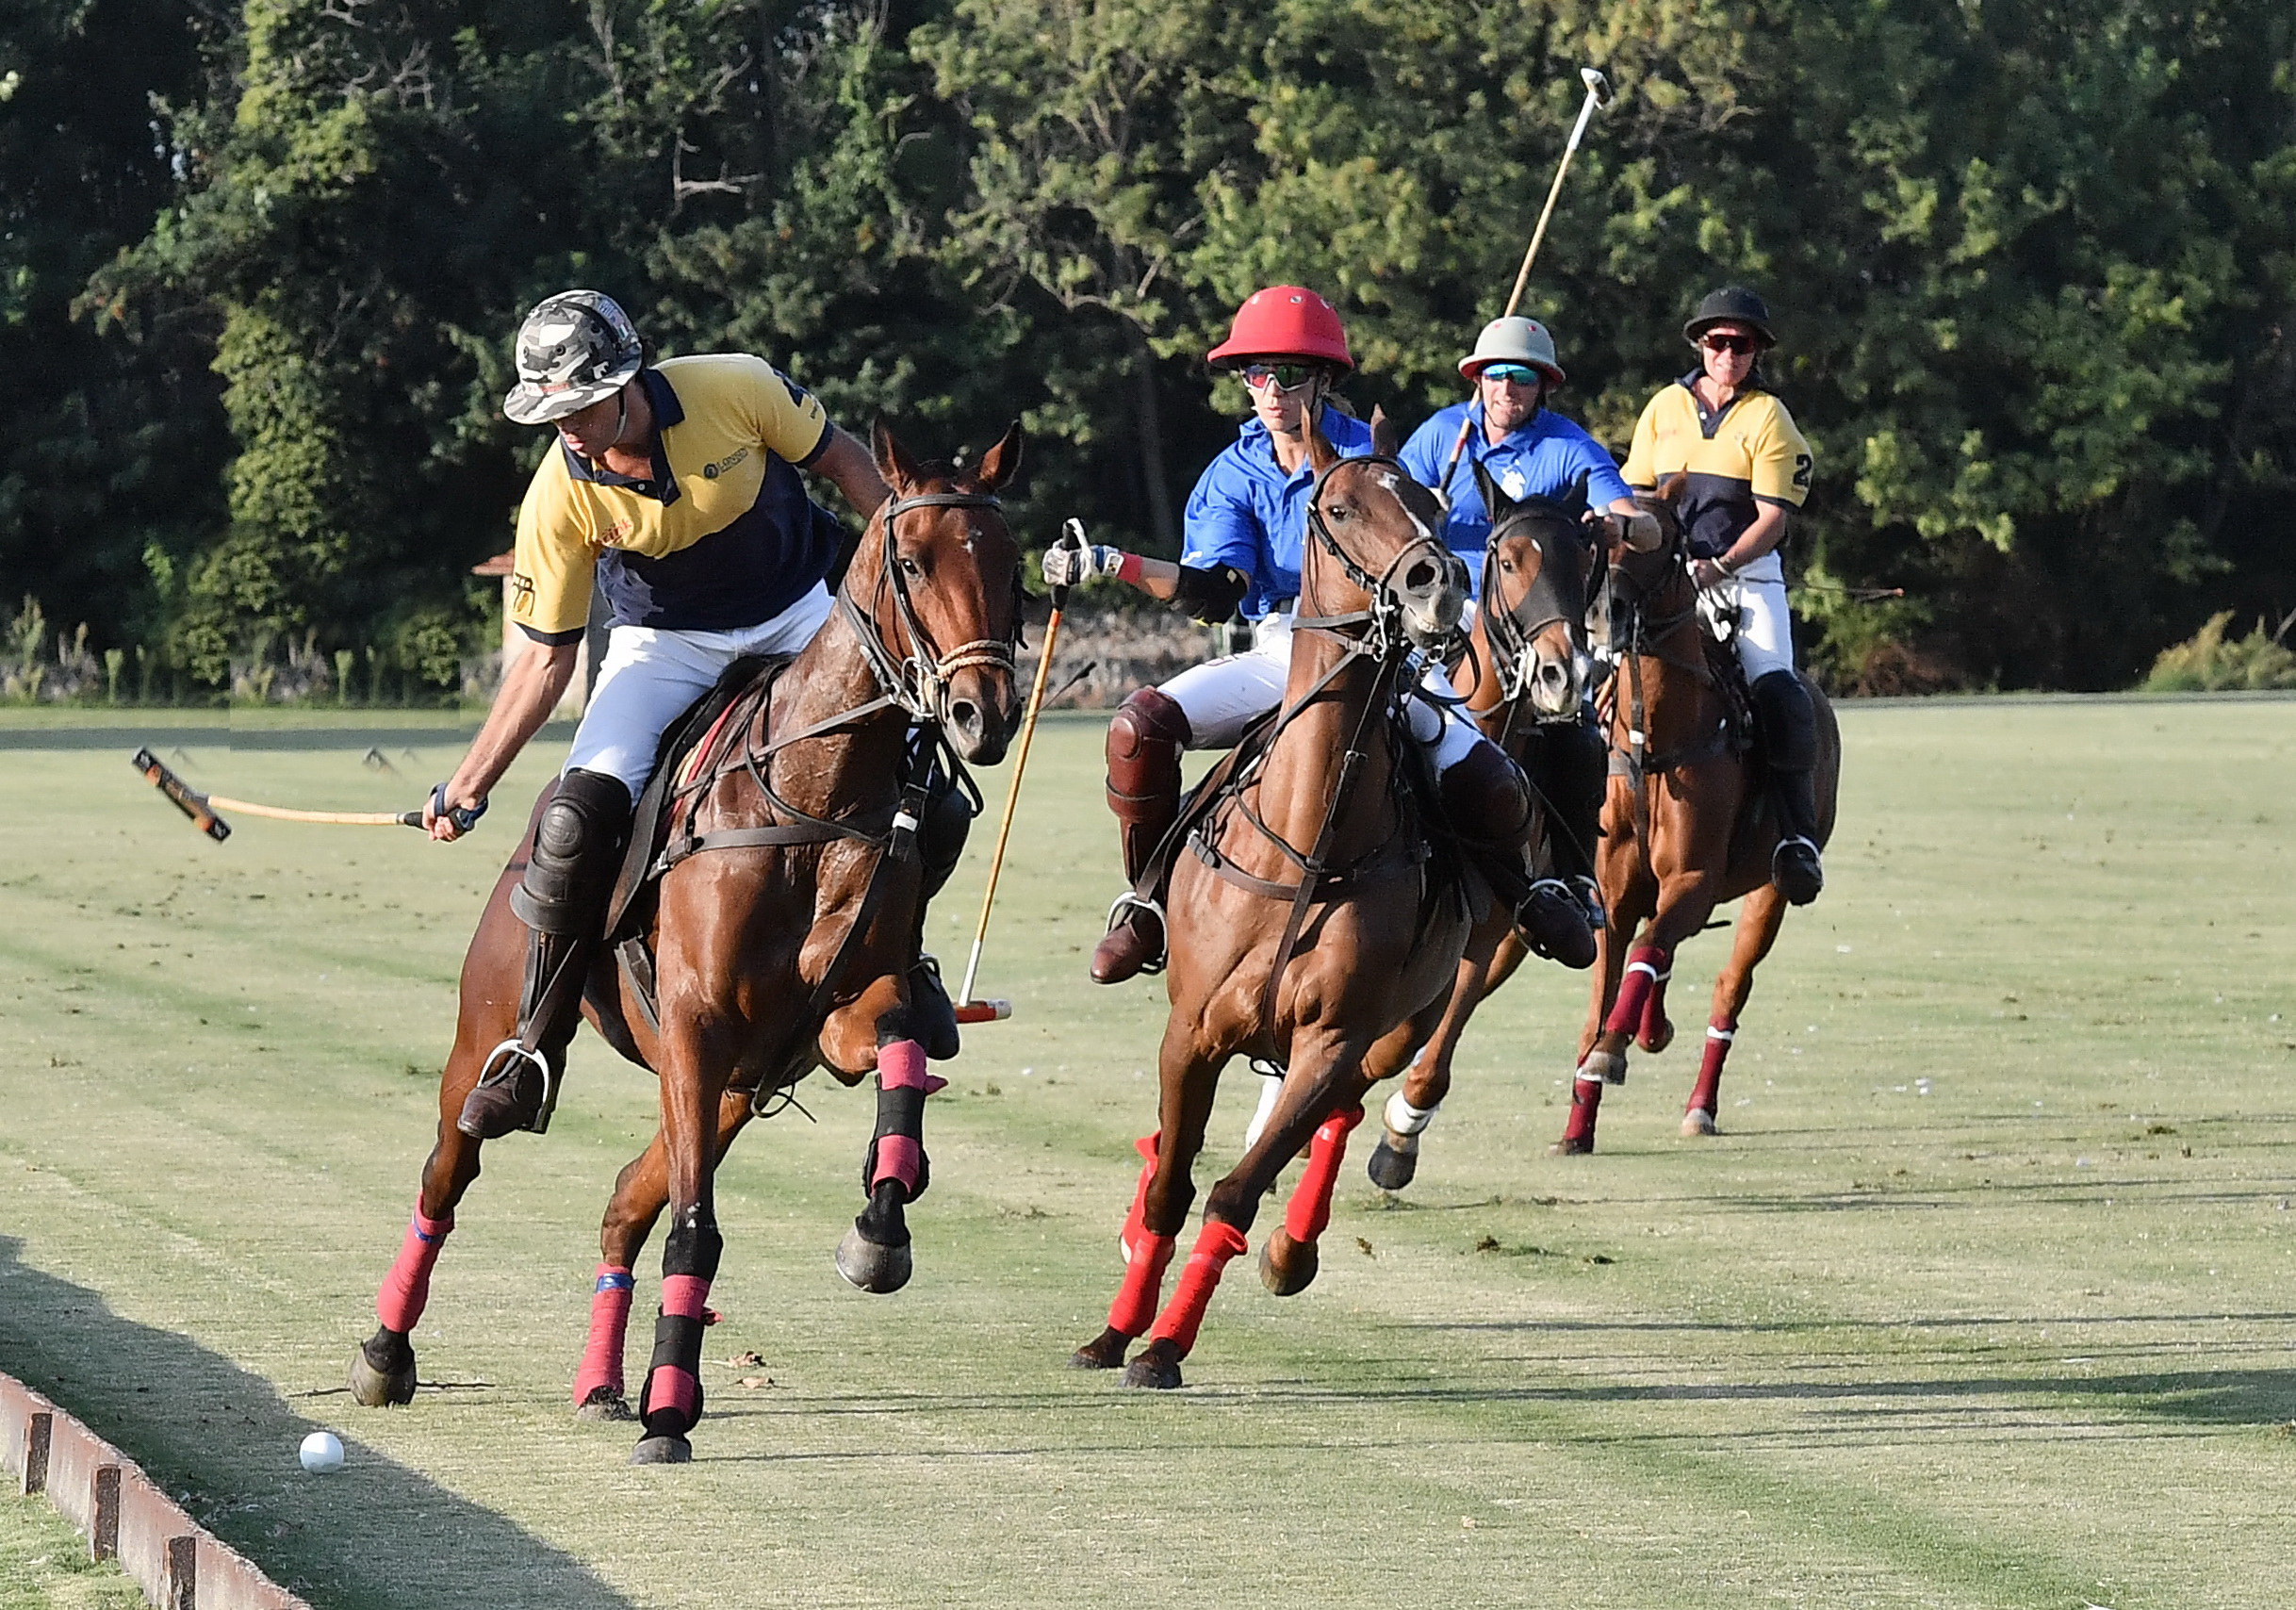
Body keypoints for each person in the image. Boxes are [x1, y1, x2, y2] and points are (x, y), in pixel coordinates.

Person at [427, 288, 906, 1139]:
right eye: (551, 413)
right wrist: (469, 784)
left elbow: (844, 465)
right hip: (663, 645)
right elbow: (544, 659)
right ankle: (534, 1045)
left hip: (800, 614)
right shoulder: (557, 498)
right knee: (573, 819)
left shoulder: (736, 389)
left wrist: (904, 561)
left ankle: (905, 966)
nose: (567, 427)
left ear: (625, 380)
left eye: (579, 405)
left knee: (916, 764)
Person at [1042, 286, 1546, 986]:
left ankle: (1526, 895)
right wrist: (1113, 562)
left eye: (1289, 374)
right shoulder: (1233, 472)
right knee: (1138, 728)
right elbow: (1219, 592)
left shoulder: (1371, 454)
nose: (1272, 391)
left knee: (1486, 775)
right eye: (1256, 374)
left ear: (1324, 379)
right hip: (1288, 645)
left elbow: (1433, 552)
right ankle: (1149, 900)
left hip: (1388, 651)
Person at [1399, 315, 1652, 935]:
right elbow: (1388, 505)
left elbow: (1638, 523)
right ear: (1478, 380)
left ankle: (1572, 874)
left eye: (1523, 378)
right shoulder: (1443, 436)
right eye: (1496, 375)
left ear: (1543, 388)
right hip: (1440, 607)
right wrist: (1417, 504)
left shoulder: (1566, 446)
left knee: (1574, 729)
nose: (1507, 388)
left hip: (1527, 620)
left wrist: (1620, 526)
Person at [1620, 286, 1823, 903]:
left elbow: (1773, 519)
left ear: (1756, 352)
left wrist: (1721, 565)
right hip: (1664, 580)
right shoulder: (1663, 408)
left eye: (1742, 344)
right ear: (1700, 346)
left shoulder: (1768, 418)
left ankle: (1795, 836)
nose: (1728, 354)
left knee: (1778, 691)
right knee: (1600, 683)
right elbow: (1633, 497)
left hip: (1744, 576)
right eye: (1718, 342)